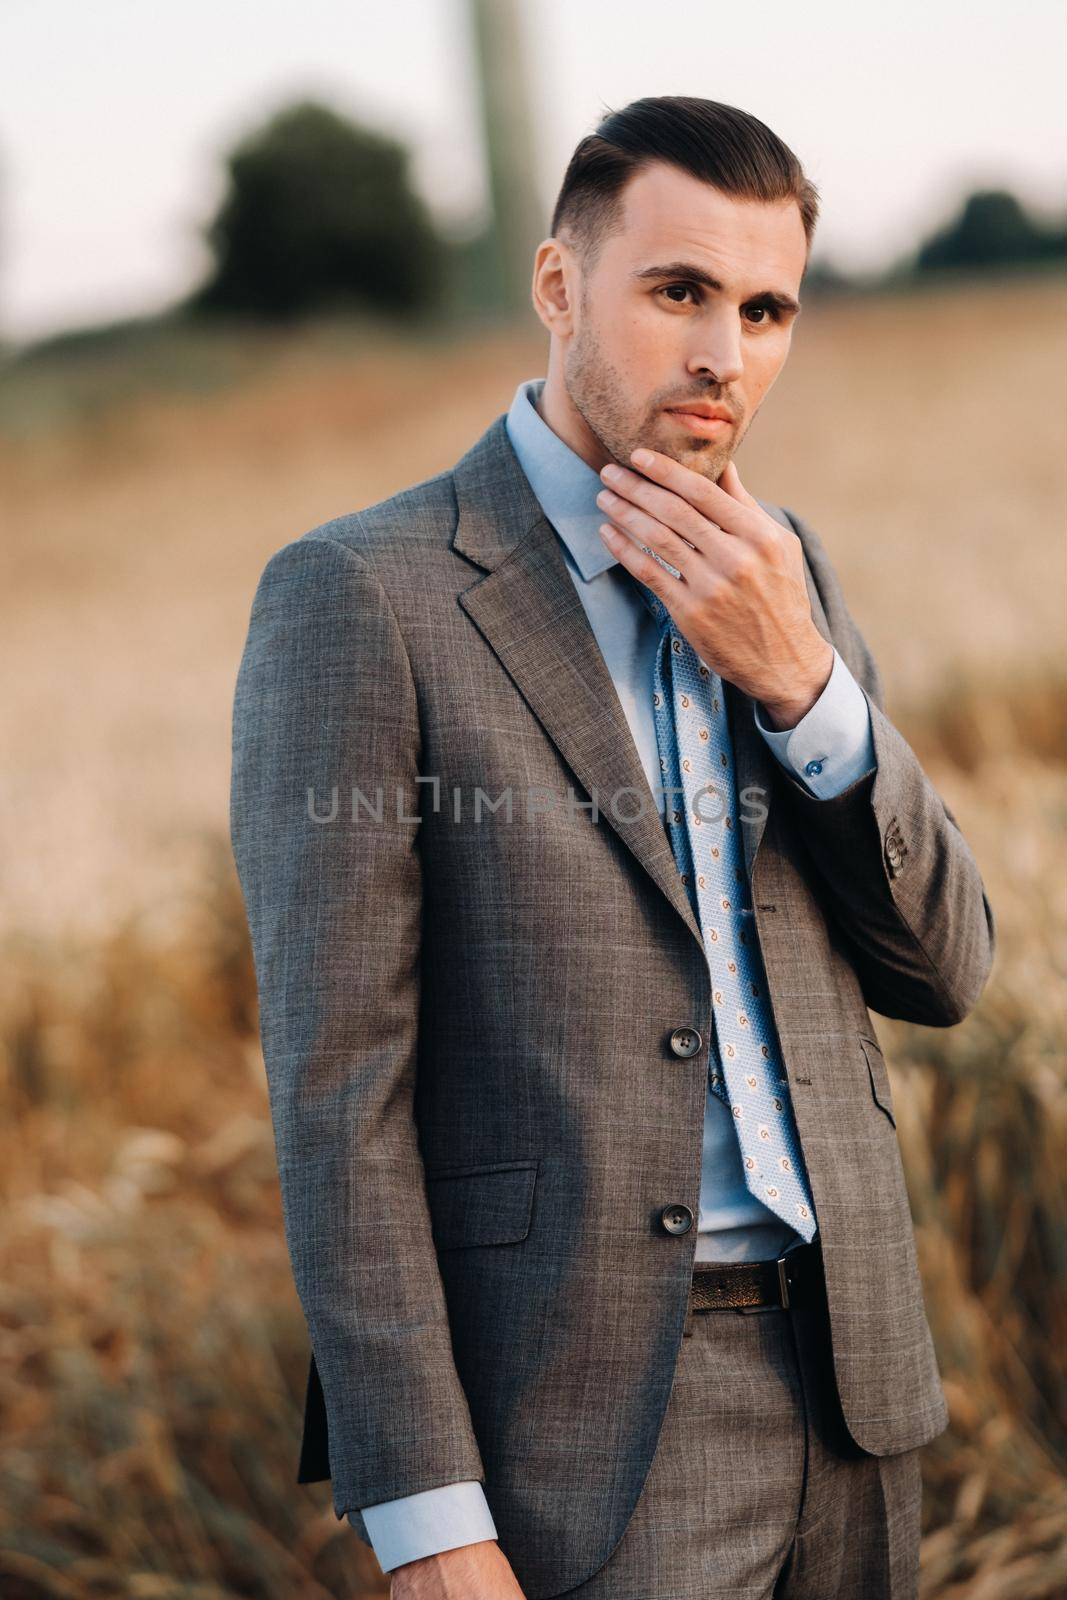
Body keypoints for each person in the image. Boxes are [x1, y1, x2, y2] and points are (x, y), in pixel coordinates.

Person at [229, 96, 996, 1600]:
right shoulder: (362, 595)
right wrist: (426, 1516)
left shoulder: (790, 577)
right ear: (560, 286)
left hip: (856, 1385)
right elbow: (341, 1095)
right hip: (587, 1431)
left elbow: (947, 966)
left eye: (767, 308)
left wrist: (804, 682)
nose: (726, 352)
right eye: (679, 292)